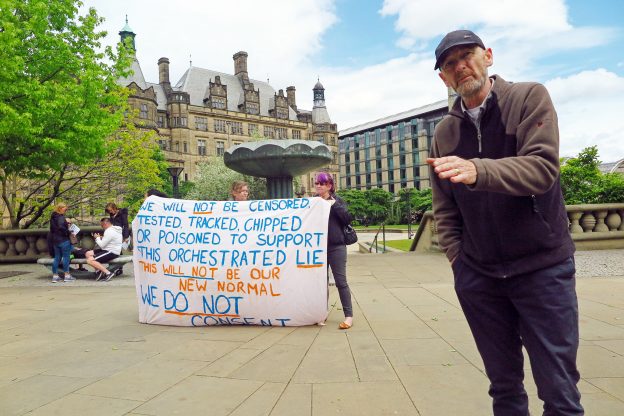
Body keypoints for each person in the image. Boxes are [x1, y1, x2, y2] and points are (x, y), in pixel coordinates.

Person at [426, 30, 582, 415]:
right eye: (450, 63)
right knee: (505, 389)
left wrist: (477, 170)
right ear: (444, 78)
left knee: (559, 391)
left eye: (468, 55)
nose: (461, 66)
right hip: (480, 276)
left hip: (542, 268)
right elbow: (444, 205)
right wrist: (458, 261)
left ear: (489, 56)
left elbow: (541, 168)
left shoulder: (528, 97)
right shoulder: (445, 132)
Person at [314, 172, 354, 330]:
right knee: (320, 283)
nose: (318, 186)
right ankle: (321, 313)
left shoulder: (338, 200)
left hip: (337, 246)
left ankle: (348, 316)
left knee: (340, 282)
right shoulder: (314, 202)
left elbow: (348, 219)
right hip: (319, 248)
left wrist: (334, 204)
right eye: (317, 183)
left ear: (329, 186)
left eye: (322, 183)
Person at [86, 217, 123, 282]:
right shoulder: (114, 229)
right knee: (88, 253)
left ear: (105, 223)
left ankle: (108, 273)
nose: (102, 227)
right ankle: (99, 271)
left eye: (102, 225)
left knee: (89, 260)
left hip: (111, 252)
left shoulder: (109, 231)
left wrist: (97, 238)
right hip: (108, 249)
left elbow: (102, 245)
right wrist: (101, 237)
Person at [48, 202, 75, 283]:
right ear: (60, 208)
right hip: (63, 240)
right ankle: (67, 276)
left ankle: (55, 276)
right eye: (64, 209)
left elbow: (52, 229)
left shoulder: (53, 217)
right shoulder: (60, 217)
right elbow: (61, 227)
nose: (65, 210)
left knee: (57, 258)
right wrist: (68, 232)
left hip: (55, 241)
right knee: (66, 258)